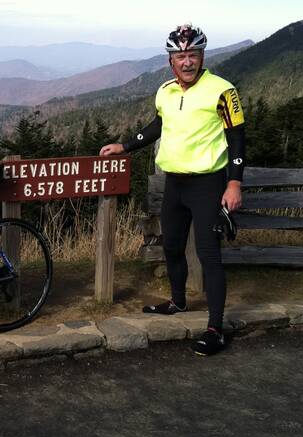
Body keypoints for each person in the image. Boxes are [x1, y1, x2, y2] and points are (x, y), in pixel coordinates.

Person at [99, 24, 245, 356]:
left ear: (202, 55)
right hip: (174, 184)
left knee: (209, 256)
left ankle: (215, 328)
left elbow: (237, 138)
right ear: (170, 60)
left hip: (209, 184)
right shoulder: (165, 91)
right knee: (173, 247)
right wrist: (124, 146)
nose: (187, 62)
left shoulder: (223, 91)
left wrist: (234, 182)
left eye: (193, 54)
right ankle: (178, 302)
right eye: (180, 55)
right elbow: (158, 125)